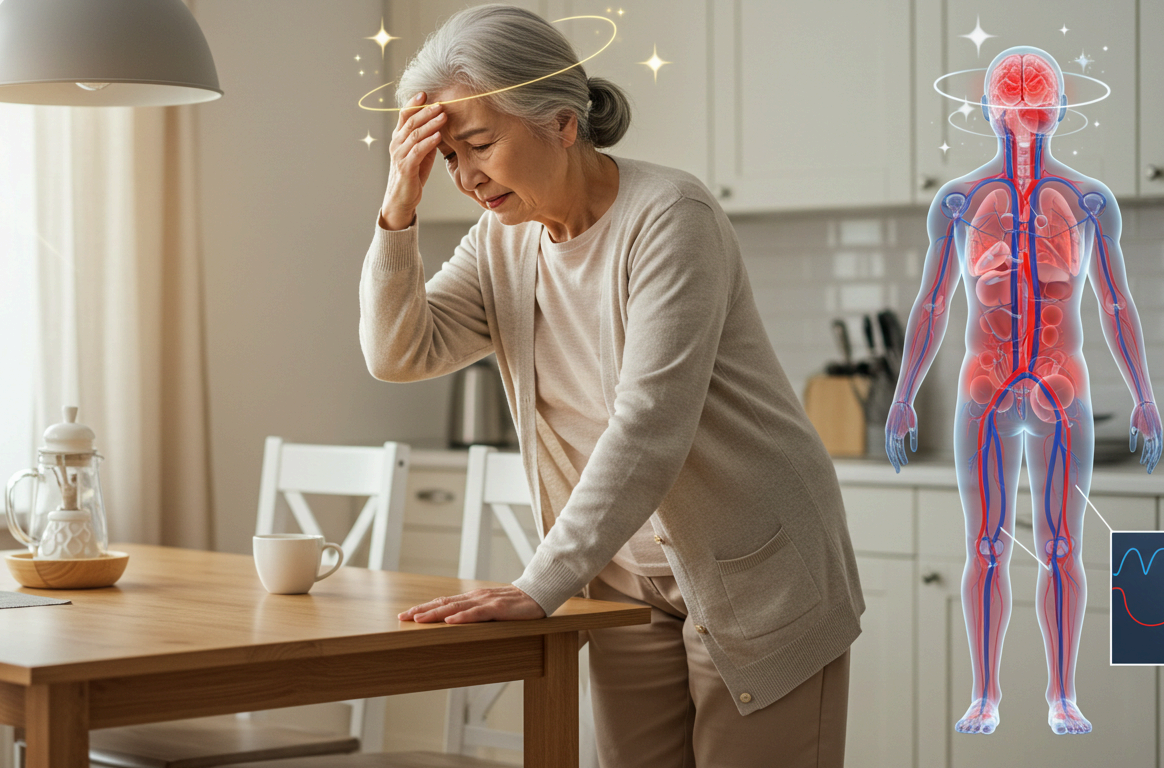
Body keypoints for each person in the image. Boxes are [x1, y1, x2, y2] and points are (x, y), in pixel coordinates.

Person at [359, 5, 863, 765]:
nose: (464, 177)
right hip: (620, 577)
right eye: (447, 158)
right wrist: (398, 207)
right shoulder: (502, 241)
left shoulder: (669, 215)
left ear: (562, 123)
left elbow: (650, 424)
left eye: (479, 146)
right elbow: (398, 352)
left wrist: (538, 584)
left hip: (756, 567)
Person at [884, 46, 1164, 736]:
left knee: (1064, 545)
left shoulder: (1090, 202)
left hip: (1060, 384)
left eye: (1035, 100)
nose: (1023, 114)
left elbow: (1116, 305)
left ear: (1060, 108)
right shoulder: (957, 203)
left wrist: (1145, 395)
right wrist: (902, 394)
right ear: (987, 111)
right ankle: (986, 695)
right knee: (985, 546)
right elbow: (931, 305)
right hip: (985, 383)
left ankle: (1061, 695)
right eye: (1011, 101)